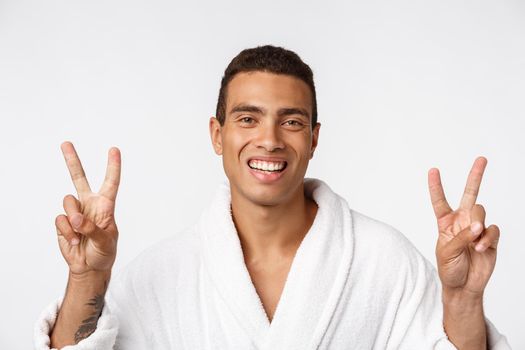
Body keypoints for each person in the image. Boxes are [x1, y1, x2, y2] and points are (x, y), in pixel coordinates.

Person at [34, 45, 510, 349]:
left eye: (292, 120)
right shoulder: (161, 275)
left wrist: (464, 299)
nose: (270, 139)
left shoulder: (385, 262)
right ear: (217, 135)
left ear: (314, 138)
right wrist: (87, 278)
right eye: (247, 118)